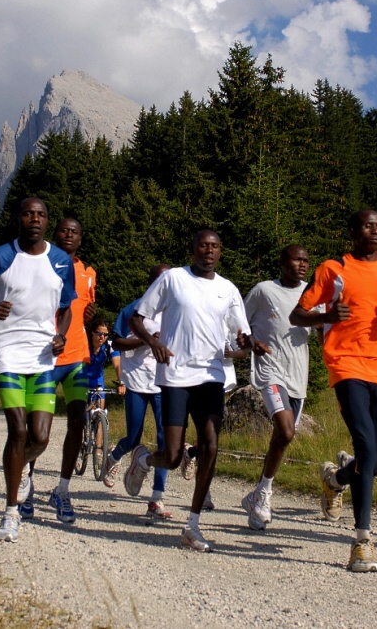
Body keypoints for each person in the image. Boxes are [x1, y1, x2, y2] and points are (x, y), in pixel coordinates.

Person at [290, 210, 377, 573]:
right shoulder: (333, 269)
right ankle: (363, 540)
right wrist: (326, 317)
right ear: (352, 232)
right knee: (366, 445)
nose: (374, 230)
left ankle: (336, 479)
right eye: (367, 225)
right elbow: (297, 314)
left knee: (376, 458)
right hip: (346, 364)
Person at [122, 229, 269, 552]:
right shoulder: (173, 279)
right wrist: (153, 343)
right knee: (173, 457)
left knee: (210, 446)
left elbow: (240, 335)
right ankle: (145, 460)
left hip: (211, 376)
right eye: (203, 245)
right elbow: (137, 318)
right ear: (193, 250)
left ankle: (192, 525)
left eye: (215, 246)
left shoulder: (228, 289)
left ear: (220, 252)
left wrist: (249, 343)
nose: (209, 251)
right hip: (175, 375)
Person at [0, 197, 76, 543]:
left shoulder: (60, 261)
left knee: (40, 437)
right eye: (29, 214)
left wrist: (61, 336)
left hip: (42, 358)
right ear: (19, 220)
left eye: (41, 214)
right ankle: (10, 513)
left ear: (47, 220)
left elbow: (67, 307)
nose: (35, 219)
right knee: (19, 429)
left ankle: (22, 467)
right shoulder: (0, 257)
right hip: (7, 354)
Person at [20, 218, 96, 524]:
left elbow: (83, 310)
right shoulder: (41, 263)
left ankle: (62, 491)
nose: (69, 235)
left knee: (78, 422)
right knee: (40, 430)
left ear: (80, 239)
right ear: (56, 235)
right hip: (44, 359)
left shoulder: (89, 273)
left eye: (74, 232)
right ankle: (26, 481)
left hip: (77, 357)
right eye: (64, 230)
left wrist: (90, 315)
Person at [239, 244, 315, 530]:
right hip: (269, 371)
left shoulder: (311, 294)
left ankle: (257, 494)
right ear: (283, 263)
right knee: (285, 429)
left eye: (306, 260)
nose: (303, 264)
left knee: (284, 437)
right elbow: (239, 324)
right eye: (297, 259)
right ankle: (265, 494)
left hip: (298, 377)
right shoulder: (263, 290)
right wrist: (250, 342)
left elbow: (321, 329)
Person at [105, 264, 170, 520]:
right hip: (137, 381)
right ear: (152, 283)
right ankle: (114, 457)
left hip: (165, 382)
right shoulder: (133, 308)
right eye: (161, 280)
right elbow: (117, 341)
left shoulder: (176, 310)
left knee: (166, 441)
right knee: (134, 437)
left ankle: (156, 498)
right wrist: (147, 339)